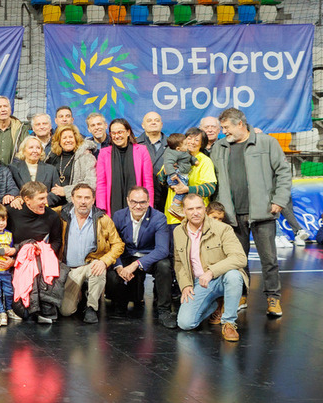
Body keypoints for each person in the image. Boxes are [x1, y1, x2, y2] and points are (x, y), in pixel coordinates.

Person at [210, 108, 291, 319]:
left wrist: (279, 200)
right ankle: (242, 295)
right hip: (232, 216)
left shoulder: (267, 143)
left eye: (226, 127)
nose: (223, 131)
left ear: (240, 125)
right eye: (222, 128)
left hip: (263, 213)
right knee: (238, 260)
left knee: (269, 259)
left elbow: (283, 173)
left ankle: (273, 298)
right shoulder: (219, 147)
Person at [175, 194, 247, 342]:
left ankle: (229, 322)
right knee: (185, 323)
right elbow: (179, 262)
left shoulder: (222, 228)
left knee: (234, 275)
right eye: (190, 209)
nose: (195, 212)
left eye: (199, 208)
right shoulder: (178, 232)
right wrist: (186, 285)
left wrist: (211, 272)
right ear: (184, 211)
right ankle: (213, 305)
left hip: (221, 278)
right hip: (199, 283)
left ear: (204, 209)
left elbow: (239, 258)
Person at [110, 186, 175, 328]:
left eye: (142, 202)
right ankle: (119, 303)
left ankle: (163, 310)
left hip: (148, 255)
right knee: (112, 273)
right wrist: (120, 266)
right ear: (127, 201)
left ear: (148, 201)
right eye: (134, 202)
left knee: (164, 265)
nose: (138, 206)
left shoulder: (159, 218)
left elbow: (162, 250)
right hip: (127, 254)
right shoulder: (119, 216)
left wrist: (136, 264)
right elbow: (112, 244)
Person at [59, 184, 124, 324]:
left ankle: (91, 308)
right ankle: (81, 293)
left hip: (90, 265)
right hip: (69, 270)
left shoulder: (103, 219)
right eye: (79, 197)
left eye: (87, 198)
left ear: (93, 199)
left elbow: (118, 244)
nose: (83, 201)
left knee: (98, 268)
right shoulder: (61, 215)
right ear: (72, 198)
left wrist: (104, 261)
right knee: (66, 311)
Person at [6, 181, 64, 323]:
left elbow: (56, 242)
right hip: (16, 261)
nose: (46, 202)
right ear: (27, 200)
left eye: (46, 197)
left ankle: (43, 309)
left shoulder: (52, 216)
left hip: (42, 261)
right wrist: (13, 260)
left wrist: (44, 254)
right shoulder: (12, 212)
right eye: (41, 199)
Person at [95, 119, 154, 215]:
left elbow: (148, 182)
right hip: (112, 207)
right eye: (113, 133)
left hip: (138, 207)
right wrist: (101, 209)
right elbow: (101, 184)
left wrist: (149, 206)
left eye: (120, 132)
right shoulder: (104, 153)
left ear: (128, 132)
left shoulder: (142, 151)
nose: (117, 136)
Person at [159, 127, 216, 227]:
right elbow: (161, 181)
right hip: (174, 217)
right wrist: (166, 172)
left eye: (196, 140)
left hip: (197, 218)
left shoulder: (205, 161)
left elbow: (210, 189)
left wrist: (187, 189)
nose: (192, 142)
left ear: (202, 144)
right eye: (189, 138)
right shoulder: (174, 155)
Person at [46, 125, 96, 208]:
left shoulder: (86, 157)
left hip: (75, 206)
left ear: (76, 139)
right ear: (59, 141)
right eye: (64, 138)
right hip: (52, 205)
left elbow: (90, 184)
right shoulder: (52, 157)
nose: (68, 140)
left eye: (71, 137)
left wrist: (66, 191)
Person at [9, 137, 62, 208]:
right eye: (31, 147)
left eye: (38, 148)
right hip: (22, 208)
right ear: (24, 150)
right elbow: (11, 189)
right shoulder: (13, 168)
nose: (35, 151)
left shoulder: (51, 169)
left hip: (44, 208)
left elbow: (57, 192)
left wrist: (44, 201)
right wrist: (17, 198)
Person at [163, 133, 197, 220]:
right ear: (178, 148)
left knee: (183, 190)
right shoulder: (173, 153)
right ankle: (175, 205)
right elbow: (168, 163)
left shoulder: (184, 151)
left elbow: (189, 157)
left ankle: (176, 205)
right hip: (177, 176)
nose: (189, 144)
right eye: (186, 143)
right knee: (182, 191)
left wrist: (195, 160)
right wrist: (172, 174)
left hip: (182, 175)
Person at [140, 111, 169, 211]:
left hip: (166, 194)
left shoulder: (172, 144)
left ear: (161, 124)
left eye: (157, 120)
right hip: (142, 195)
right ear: (143, 125)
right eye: (149, 121)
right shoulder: (134, 144)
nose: (153, 123)